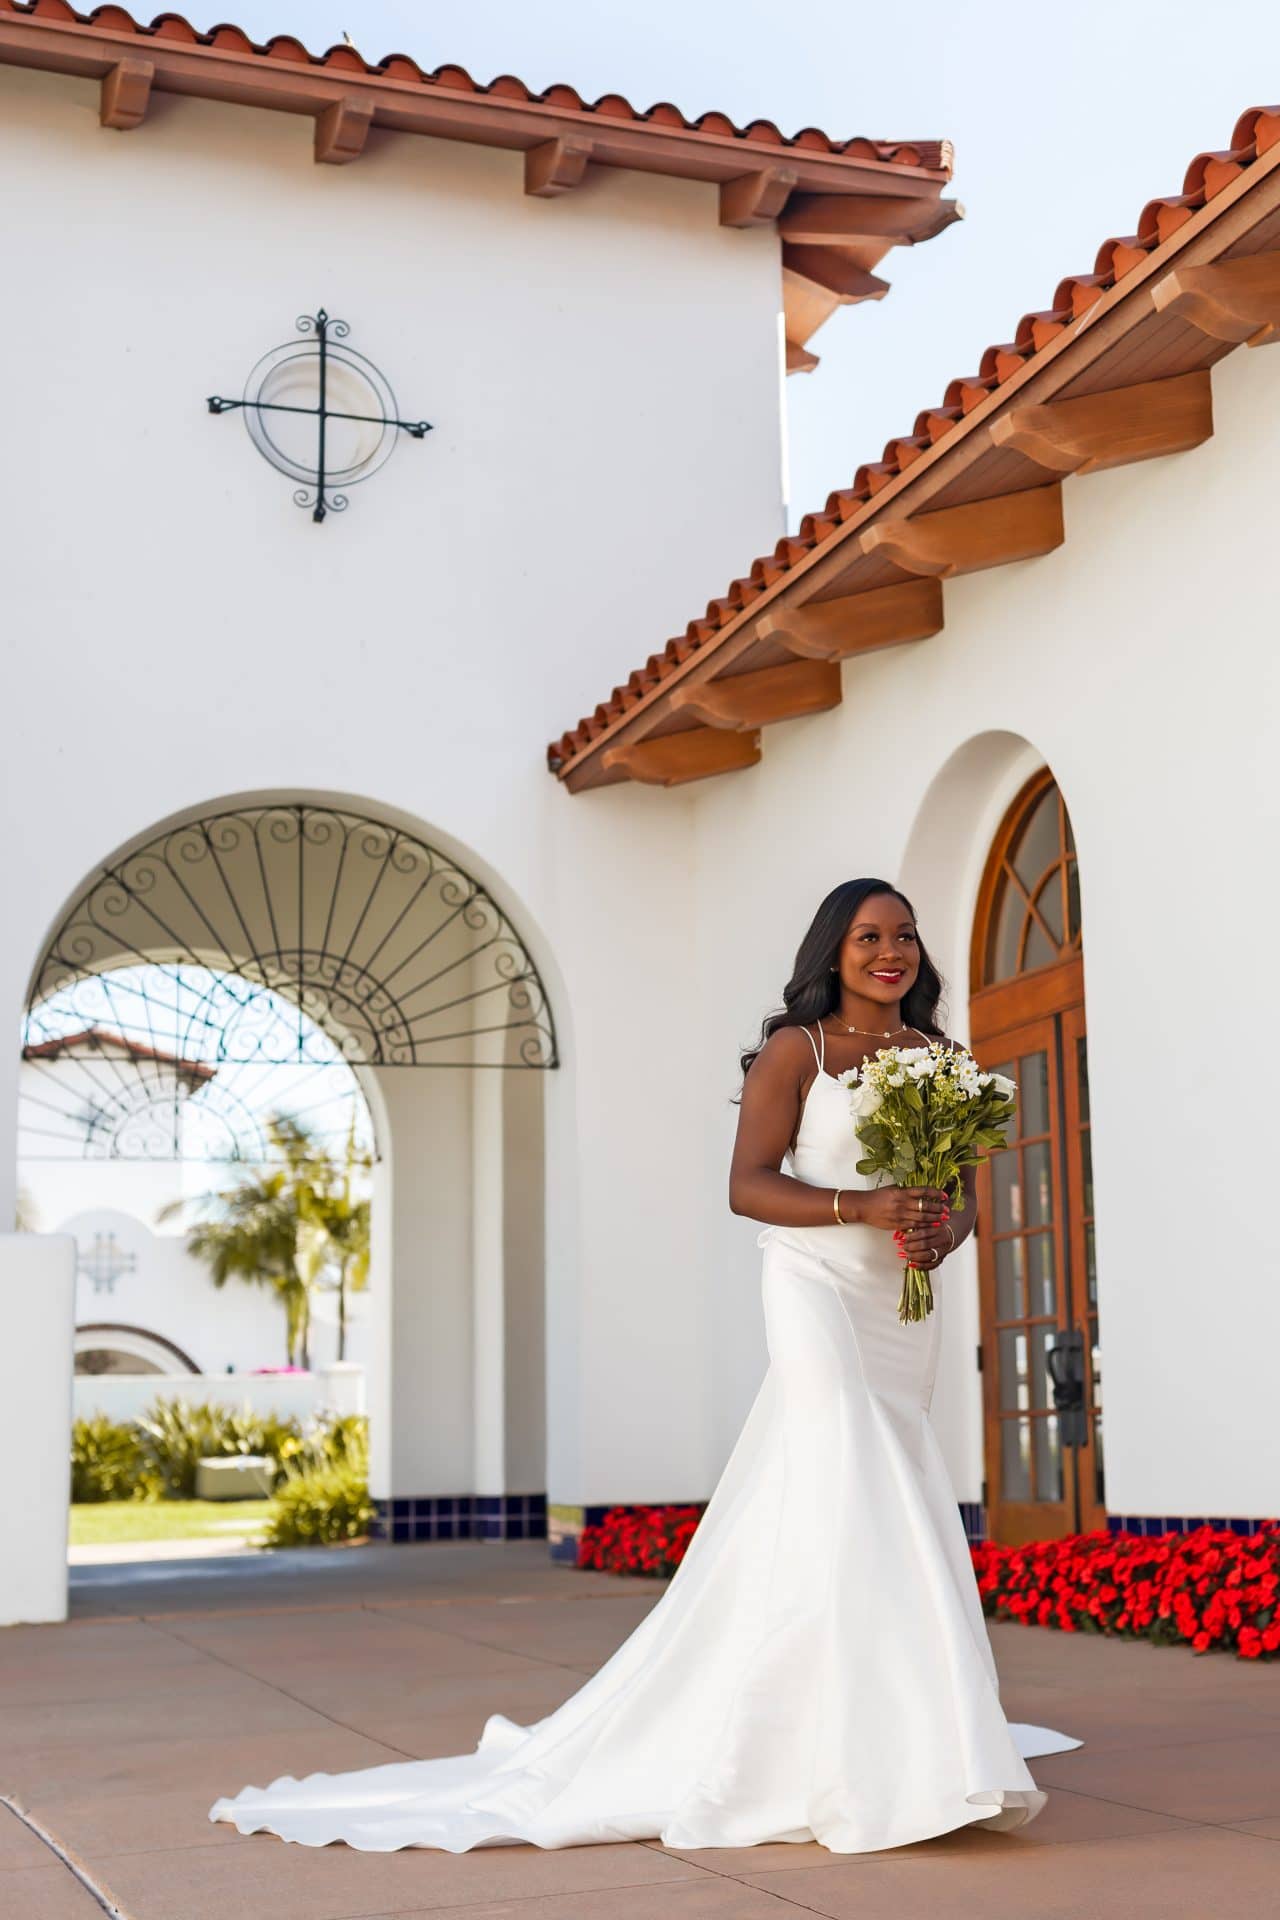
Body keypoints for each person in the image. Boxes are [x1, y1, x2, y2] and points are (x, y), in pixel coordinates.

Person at [209, 877, 1079, 1854]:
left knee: (882, 1488)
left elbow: (953, 1197)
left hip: (895, 1307)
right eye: (868, 935)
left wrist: (935, 1234)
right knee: (849, 1471)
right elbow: (746, 1186)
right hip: (811, 1289)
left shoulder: (939, 1059)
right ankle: (851, 1751)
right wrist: (857, 1210)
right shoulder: (800, 1051)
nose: (890, 951)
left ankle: (896, 1732)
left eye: (904, 935)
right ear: (830, 952)